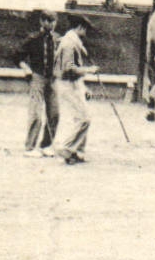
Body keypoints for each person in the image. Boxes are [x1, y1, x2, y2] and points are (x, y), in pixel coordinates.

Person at [49, 14, 97, 164]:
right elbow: (68, 68)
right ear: (80, 27)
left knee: (82, 117)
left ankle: (76, 152)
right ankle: (67, 148)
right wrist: (89, 70)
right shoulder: (69, 43)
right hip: (67, 84)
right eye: (86, 30)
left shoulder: (71, 41)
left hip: (72, 84)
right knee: (84, 118)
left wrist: (83, 86)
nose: (86, 33)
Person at [14, 10, 59, 155]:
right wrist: (26, 69)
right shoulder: (33, 38)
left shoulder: (58, 39)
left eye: (52, 21)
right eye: (47, 20)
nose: (50, 24)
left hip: (52, 80)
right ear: (41, 21)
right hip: (38, 78)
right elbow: (17, 56)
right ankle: (30, 147)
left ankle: (46, 145)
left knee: (54, 113)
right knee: (36, 113)